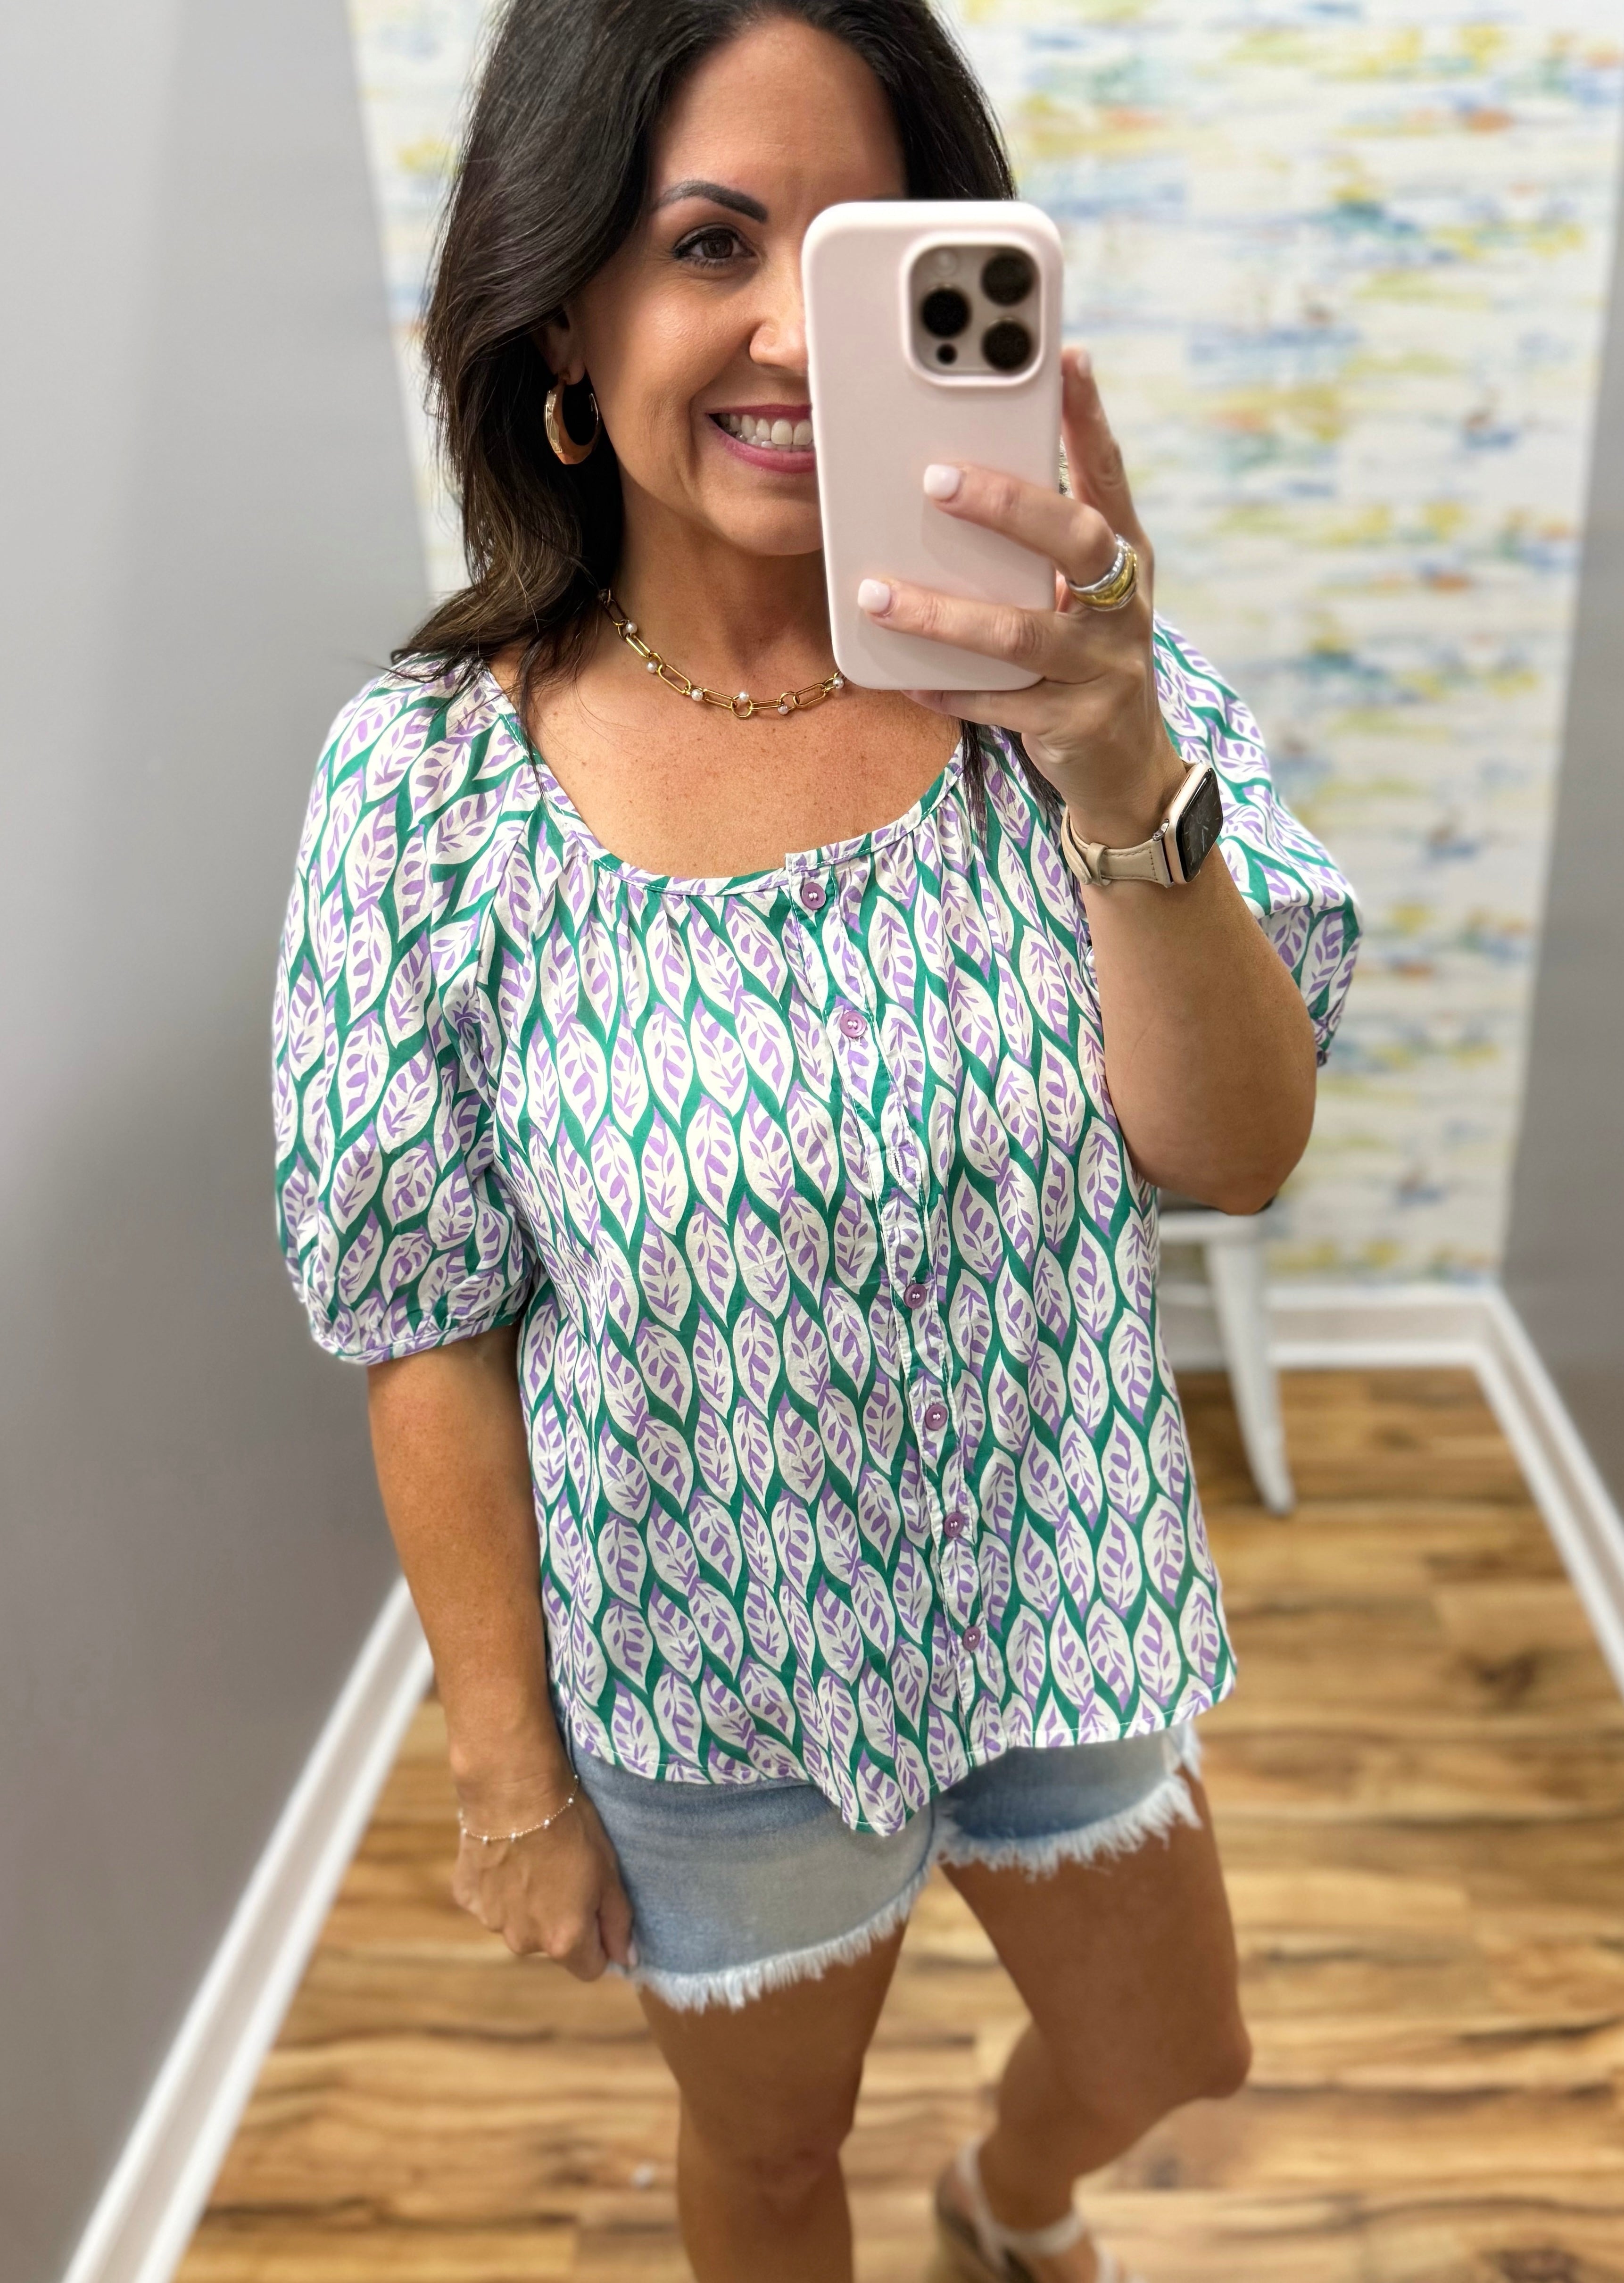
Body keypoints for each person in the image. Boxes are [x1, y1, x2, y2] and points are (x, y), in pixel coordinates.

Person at [273, 2, 1357, 2277]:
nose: (790, 325)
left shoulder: (1073, 695)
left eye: (866, 245)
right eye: (706, 240)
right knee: (770, 2166)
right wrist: (508, 1779)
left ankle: (1000, 2196)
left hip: (1053, 1588)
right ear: (566, 311)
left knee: (1182, 2049)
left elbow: (1238, 1149)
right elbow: (423, 1323)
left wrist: (1106, 747)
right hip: (708, 1665)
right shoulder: (426, 793)